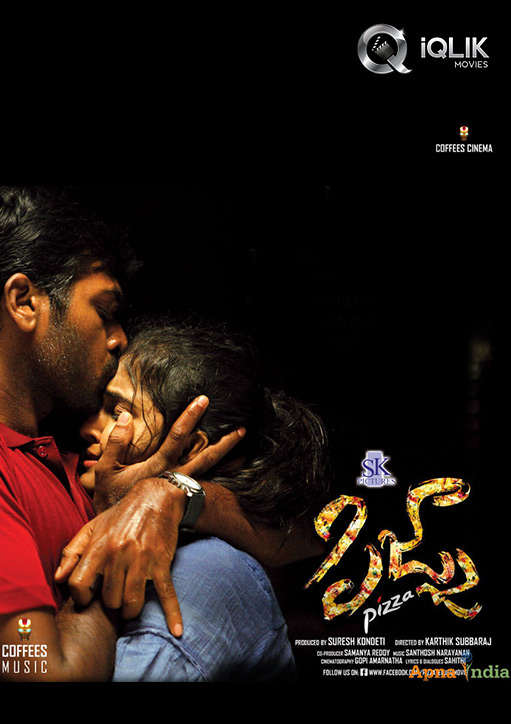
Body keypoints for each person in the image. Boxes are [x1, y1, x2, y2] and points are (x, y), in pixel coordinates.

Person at [0, 187, 268, 682]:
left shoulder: (68, 462)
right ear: (23, 302)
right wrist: (112, 537)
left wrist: (167, 495)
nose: (119, 337)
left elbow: (305, 534)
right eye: (105, 310)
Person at [76, 318, 332, 681]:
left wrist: (162, 492)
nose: (87, 428)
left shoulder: (201, 580)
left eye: (118, 412)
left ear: (190, 447)